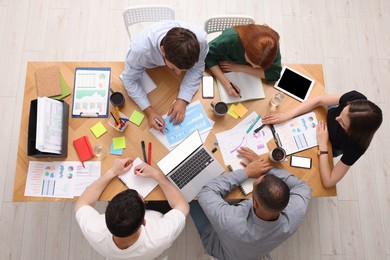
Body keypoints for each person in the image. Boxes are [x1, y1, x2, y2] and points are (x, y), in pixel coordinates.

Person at [190, 147, 312, 260]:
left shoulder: (230, 219)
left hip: (217, 242)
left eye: (255, 184)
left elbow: (205, 192)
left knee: (190, 193)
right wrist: (266, 168)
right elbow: (303, 187)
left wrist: (247, 172)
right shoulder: (294, 214)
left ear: (255, 203)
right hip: (249, 245)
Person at [262, 90, 383, 188]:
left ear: (353, 132)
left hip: (329, 146)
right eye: (342, 111)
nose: (337, 118)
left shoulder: (357, 146)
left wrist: (323, 145)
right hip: (319, 119)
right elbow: (319, 100)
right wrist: (289, 114)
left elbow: (329, 182)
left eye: (343, 123)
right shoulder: (357, 99)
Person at [75, 158, 189, 260]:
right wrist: (156, 174)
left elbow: (82, 203)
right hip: (157, 212)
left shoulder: (95, 232)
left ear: (106, 217)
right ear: (144, 222)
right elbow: (183, 206)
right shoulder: (161, 234)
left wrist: (112, 172)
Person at [122, 20, 208, 129]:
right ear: (163, 50)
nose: (178, 74)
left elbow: (198, 67)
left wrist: (183, 98)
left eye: (185, 69)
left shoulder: (200, 41)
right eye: (174, 68)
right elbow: (129, 80)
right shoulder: (139, 51)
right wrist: (149, 111)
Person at [205, 24, 282, 97]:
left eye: (257, 67)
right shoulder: (230, 38)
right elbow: (207, 56)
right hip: (219, 68)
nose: (254, 68)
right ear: (246, 48)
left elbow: (275, 74)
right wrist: (226, 84)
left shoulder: (270, 48)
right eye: (250, 62)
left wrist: (241, 68)